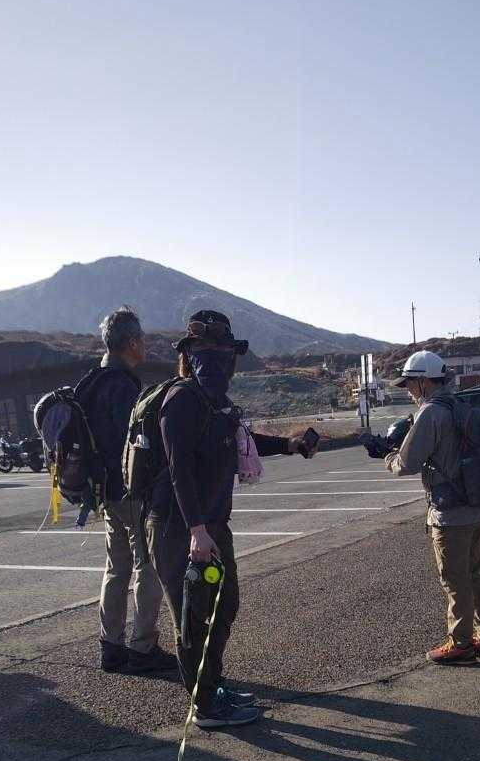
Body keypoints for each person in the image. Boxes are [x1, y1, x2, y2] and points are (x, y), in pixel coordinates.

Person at [152, 309, 319, 729]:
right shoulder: (180, 401)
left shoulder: (218, 404)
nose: (215, 359)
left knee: (224, 607)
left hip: (212, 525)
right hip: (180, 528)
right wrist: (196, 531)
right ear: (189, 355)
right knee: (193, 619)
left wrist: (290, 444)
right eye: (204, 350)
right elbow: (178, 470)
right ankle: (205, 705)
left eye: (222, 351)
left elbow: (241, 441)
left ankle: (214, 685)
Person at [383, 350, 480, 665]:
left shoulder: (431, 413)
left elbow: (407, 463)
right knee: (473, 574)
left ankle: (461, 645)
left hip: (451, 513)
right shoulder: (460, 406)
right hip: (478, 505)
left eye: (409, 384)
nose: (408, 390)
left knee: (455, 579)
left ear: (423, 382)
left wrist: (387, 457)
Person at [85, 307, 173, 675]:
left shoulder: (91, 382)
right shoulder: (123, 386)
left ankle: (111, 647)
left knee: (115, 569)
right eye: (143, 339)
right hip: (132, 492)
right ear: (133, 343)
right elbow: (136, 443)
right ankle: (143, 647)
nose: (146, 345)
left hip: (105, 492)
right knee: (147, 566)